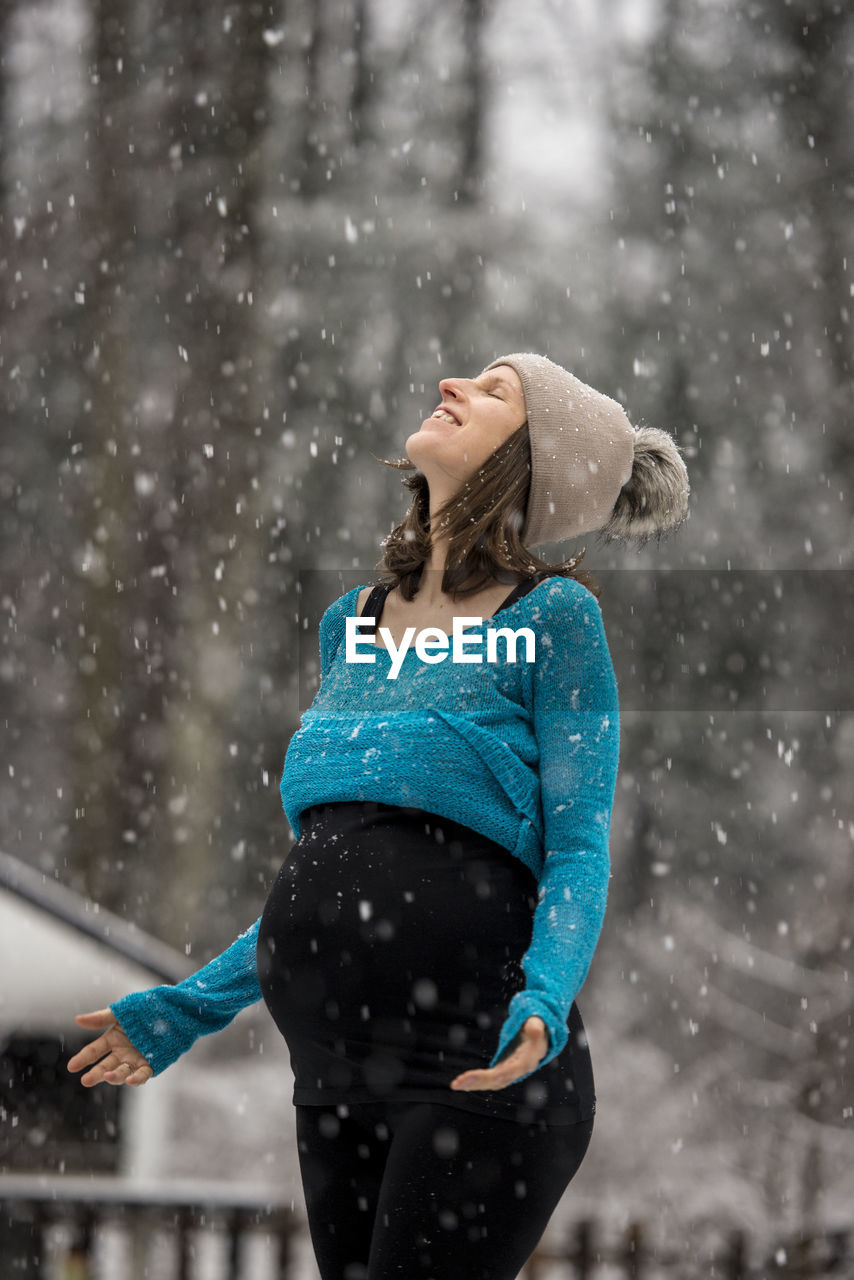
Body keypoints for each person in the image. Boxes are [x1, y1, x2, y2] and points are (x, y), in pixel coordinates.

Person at [69, 353, 689, 1280]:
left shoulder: (554, 618)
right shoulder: (351, 623)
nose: (453, 387)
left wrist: (546, 1000)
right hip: (333, 1078)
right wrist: (187, 1010)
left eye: (494, 393)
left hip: (479, 1069)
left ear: (533, 460)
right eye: (469, 377)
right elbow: (334, 866)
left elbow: (579, 847)